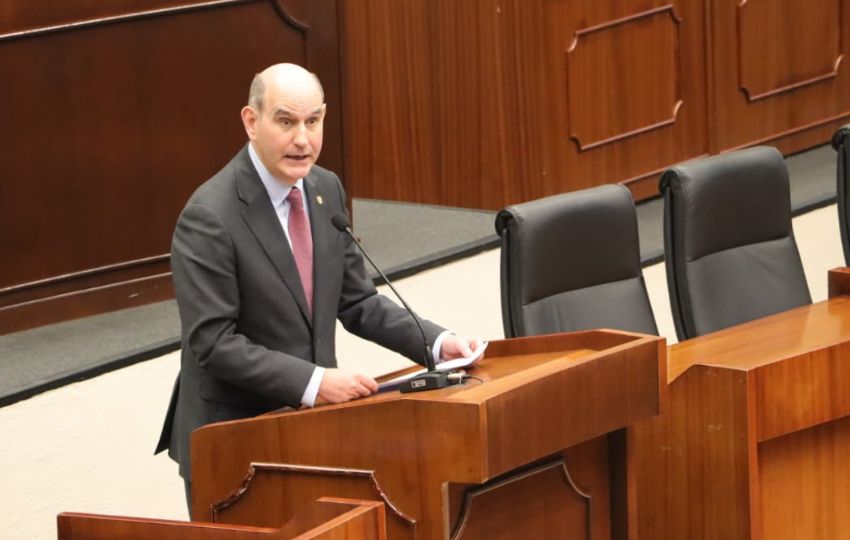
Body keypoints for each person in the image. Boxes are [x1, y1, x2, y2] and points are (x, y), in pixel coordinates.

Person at [154, 63, 480, 509]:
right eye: (286, 122)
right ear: (251, 121)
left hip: (314, 432)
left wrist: (438, 344)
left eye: (313, 121)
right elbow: (213, 343)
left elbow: (358, 301)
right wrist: (314, 383)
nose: (303, 140)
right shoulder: (210, 216)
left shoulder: (324, 188)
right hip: (233, 442)